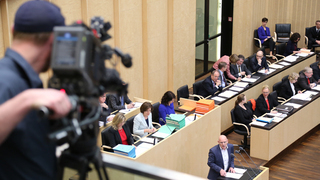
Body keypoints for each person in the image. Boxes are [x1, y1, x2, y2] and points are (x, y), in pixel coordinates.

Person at [0, 1, 72, 179]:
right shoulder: (7, 82)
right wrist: (25, 100)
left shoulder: (26, 80)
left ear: (12, 30)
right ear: (54, 40)